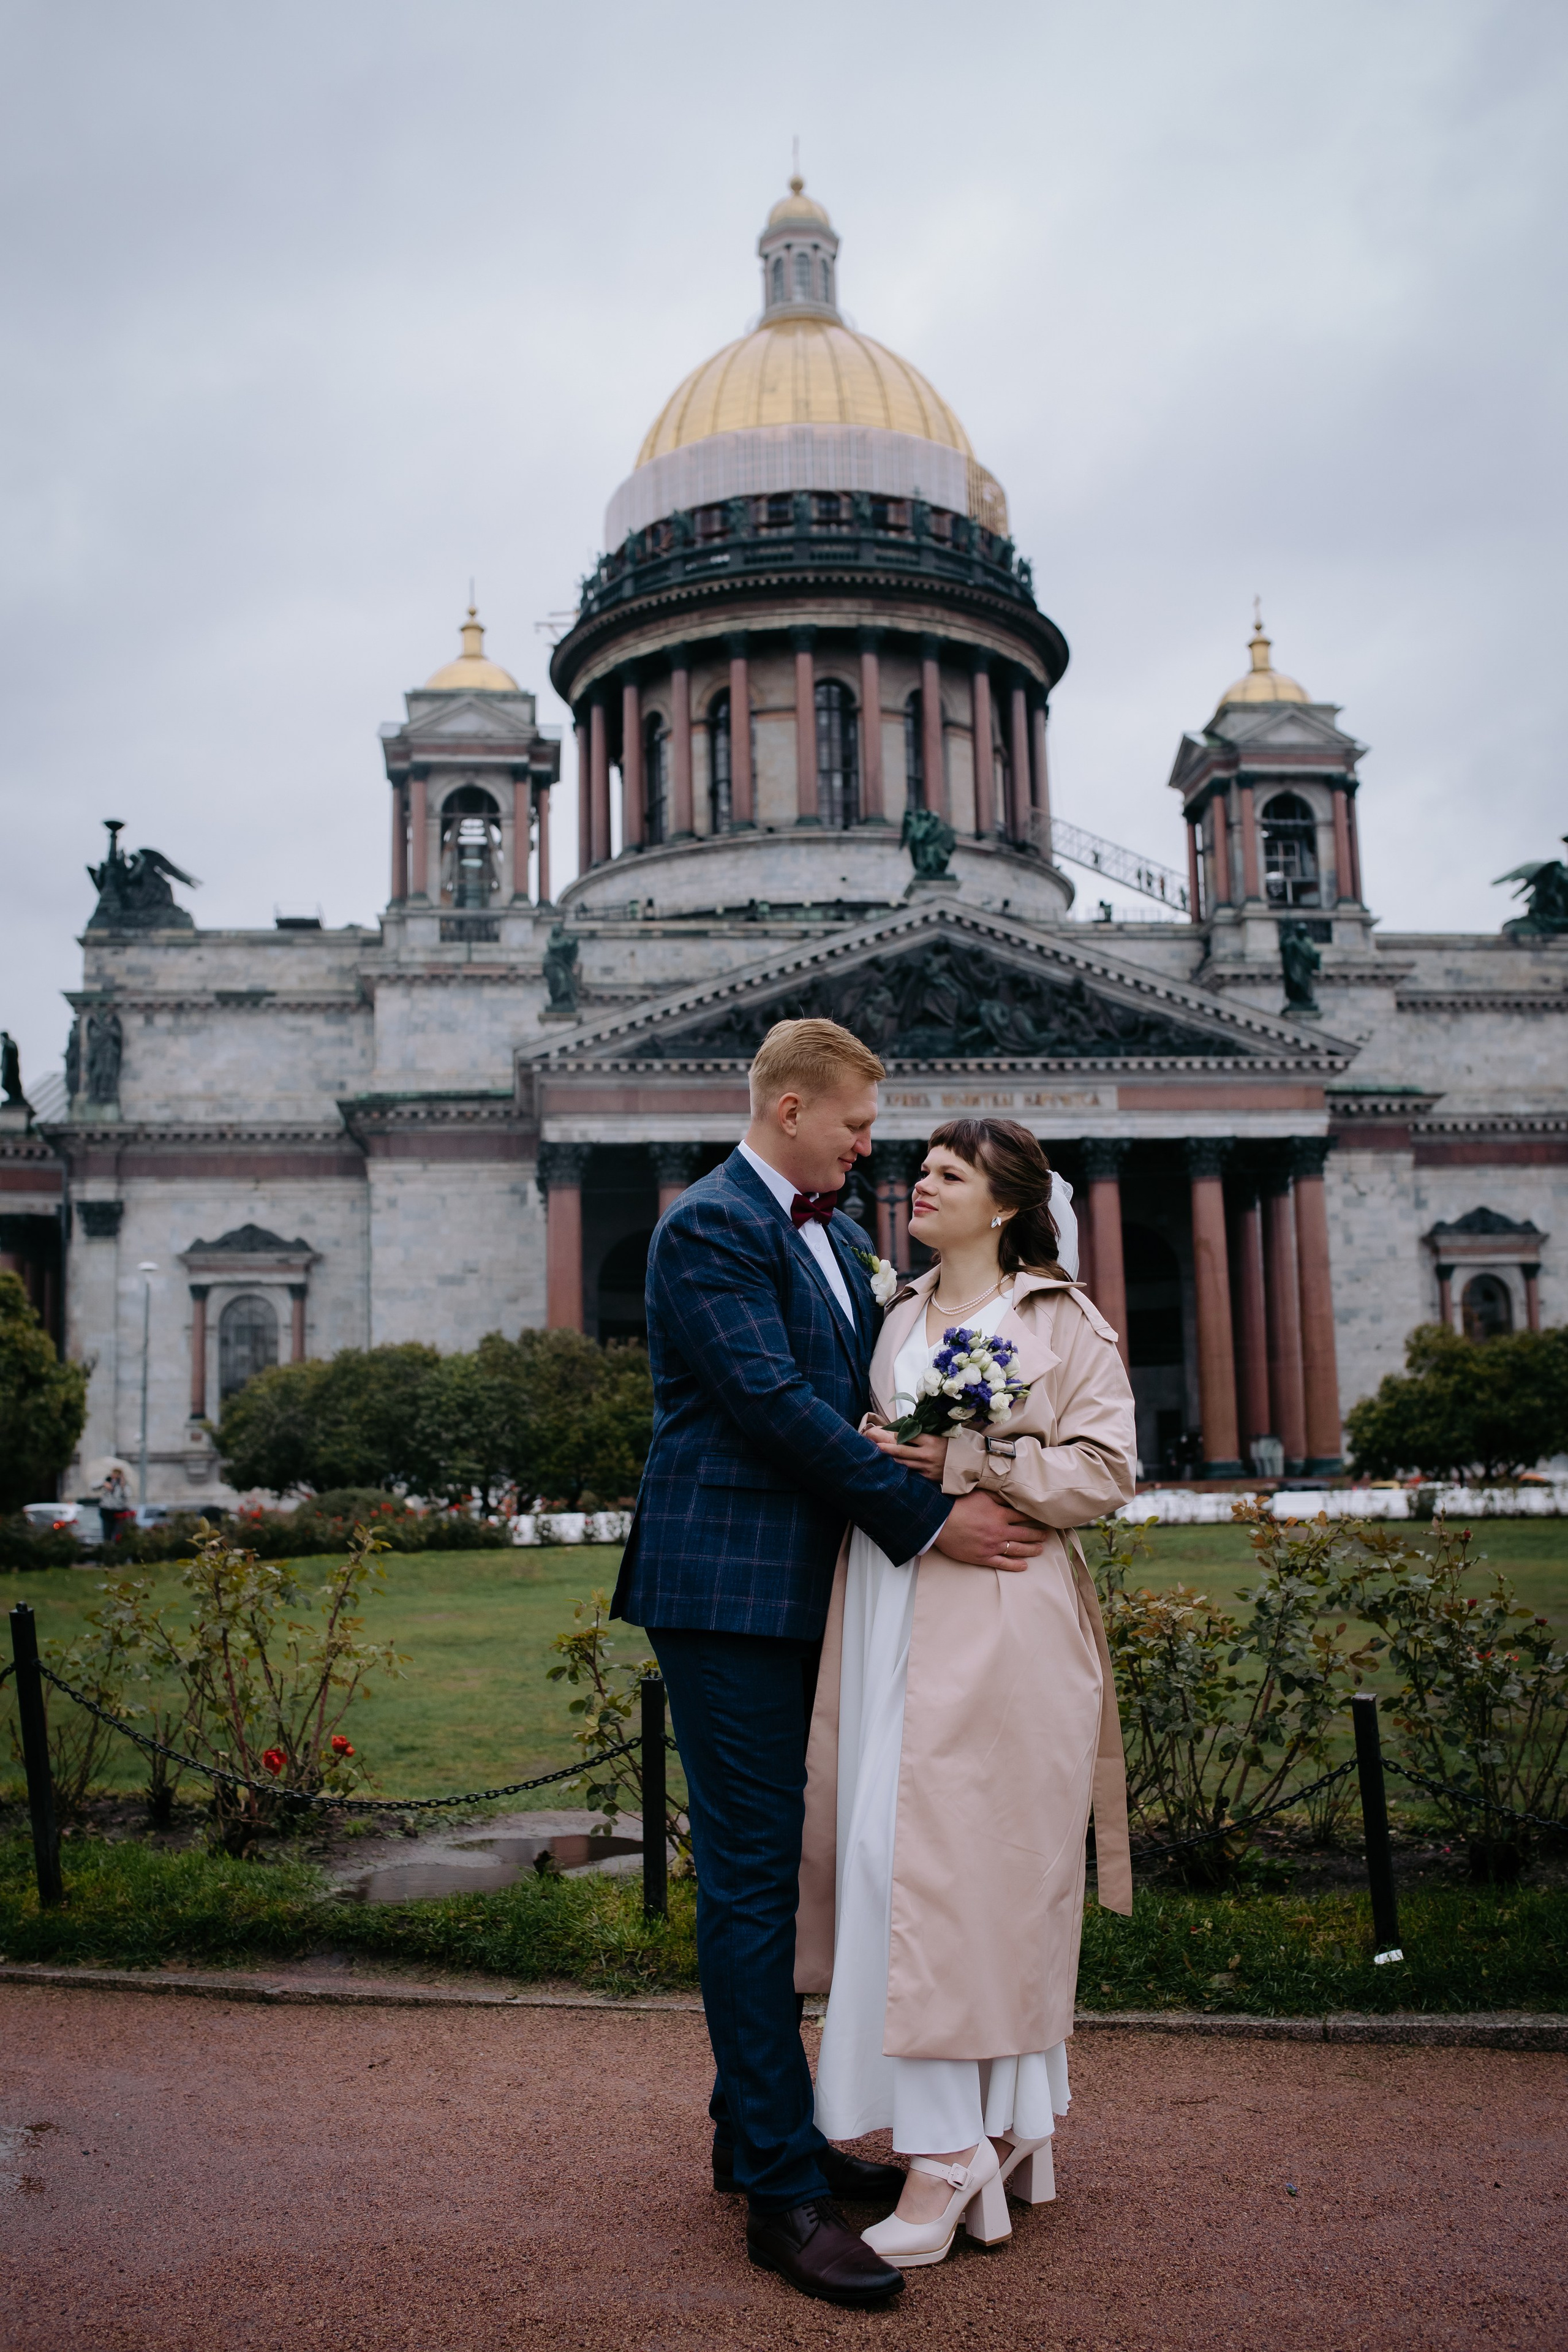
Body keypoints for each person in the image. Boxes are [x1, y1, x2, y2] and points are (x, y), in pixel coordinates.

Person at [614, 1020, 1044, 2309]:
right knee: (751, 1881)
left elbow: (841, 1397)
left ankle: (757, 2136)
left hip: (806, 1589)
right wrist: (931, 1515)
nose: (872, 1149)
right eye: (855, 1126)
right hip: (730, 1592)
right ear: (790, 1107)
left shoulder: (822, 1230)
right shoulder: (709, 1226)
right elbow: (768, 1406)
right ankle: (780, 2199)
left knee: (789, 1869)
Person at [797, 1117, 1137, 2269]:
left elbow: (1103, 1472)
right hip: (893, 1604)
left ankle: (951, 2156)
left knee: (960, 1873)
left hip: (1002, 1619)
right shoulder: (895, 1313)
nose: (916, 1190)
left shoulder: (1061, 1319)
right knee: (892, 1863)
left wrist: (967, 1462)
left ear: (1001, 1204)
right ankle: (1012, 2125)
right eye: (920, 1172)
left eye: (943, 1177)